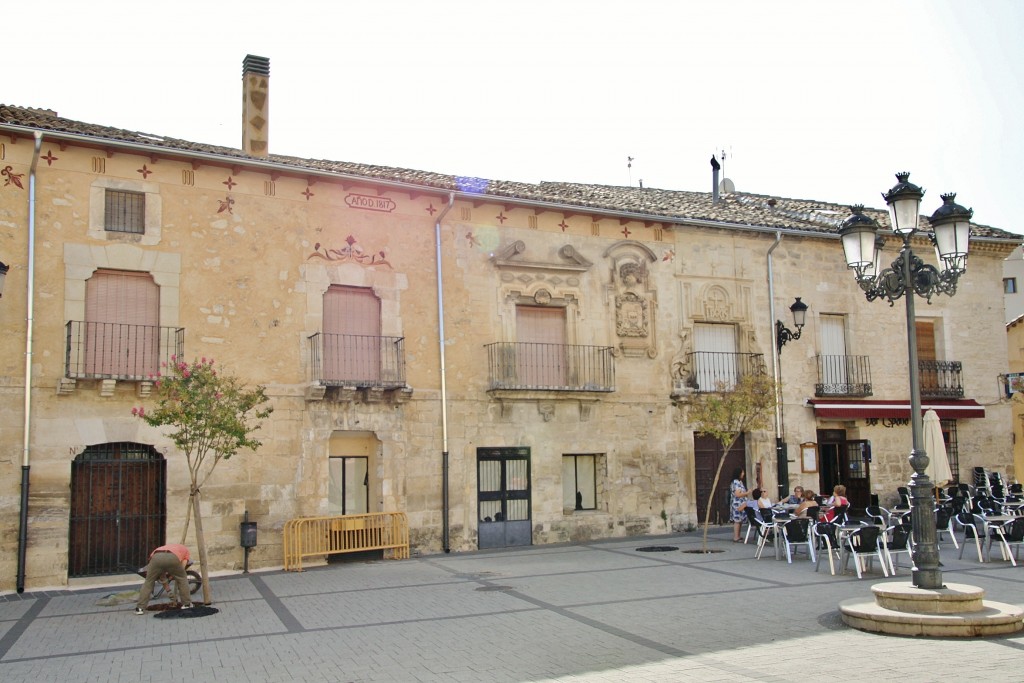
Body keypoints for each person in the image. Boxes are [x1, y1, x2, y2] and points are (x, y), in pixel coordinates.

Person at [135, 543, 193, 614]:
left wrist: (168, 591)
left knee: (148, 582)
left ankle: (139, 608)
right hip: (172, 557)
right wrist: (174, 575)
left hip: (156, 557)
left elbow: (162, 576)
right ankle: (187, 604)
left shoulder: (164, 547)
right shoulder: (185, 551)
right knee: (182, 578)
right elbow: (182, 569)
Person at [729, 468, 751, 542]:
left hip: (741, 503)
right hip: (737, 504)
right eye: (742, 472)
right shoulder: (736, 482)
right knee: (737, 521)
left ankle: (738, 536)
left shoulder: (739, 482)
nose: (743, 474)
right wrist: (747, 493)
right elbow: (737, 494)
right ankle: (736, 537)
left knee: (740, 520)